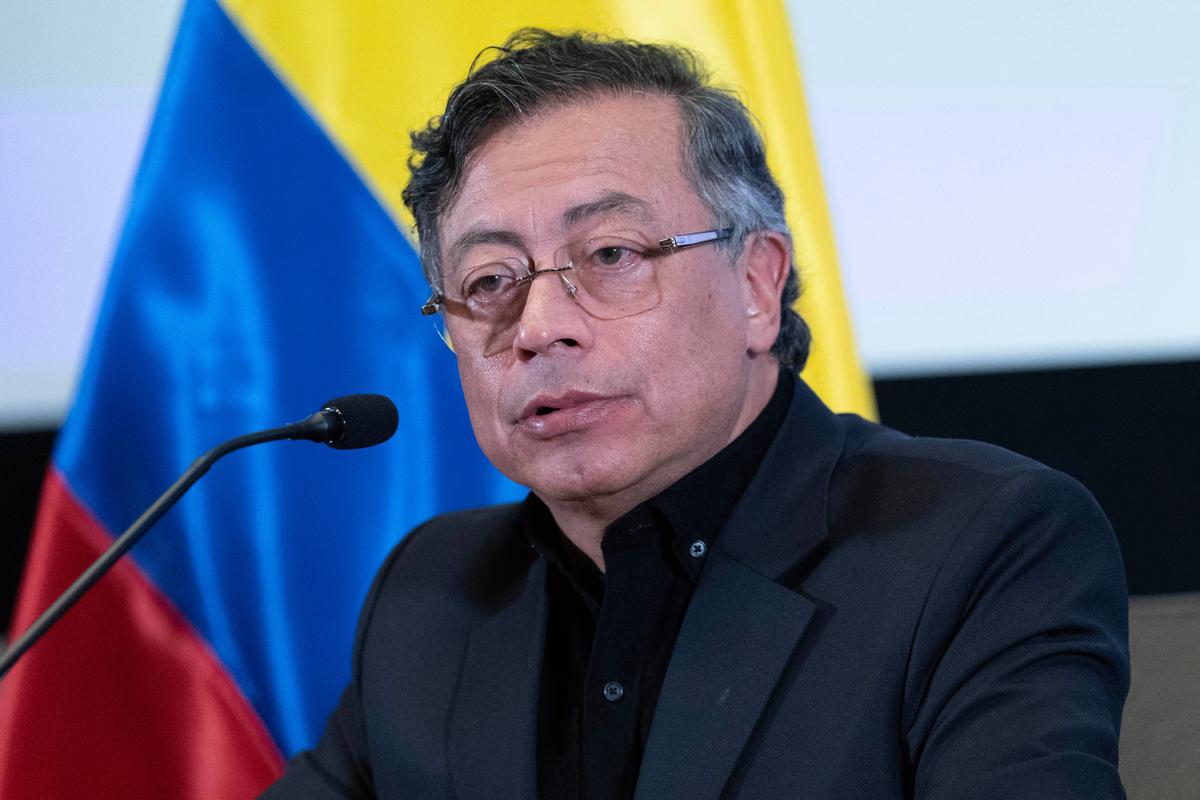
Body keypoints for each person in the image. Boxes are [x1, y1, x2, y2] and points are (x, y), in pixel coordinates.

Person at [263, 29, 1129, 799]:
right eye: (490, 281)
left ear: (756, 285)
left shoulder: (976, 545)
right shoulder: (432, 592)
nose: (537, 326)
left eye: (610, 253)